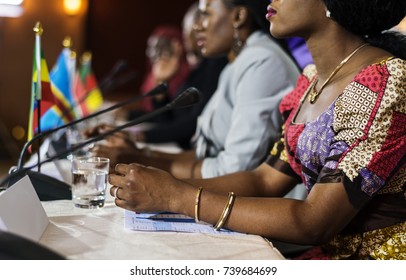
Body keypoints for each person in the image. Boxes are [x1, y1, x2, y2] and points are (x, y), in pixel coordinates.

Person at [108, 0, 406, 260]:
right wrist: (163, 185)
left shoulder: (383, 81)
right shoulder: (312, 80)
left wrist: (176, 198)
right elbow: (263, 179)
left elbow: (314, 222)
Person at [90, 0, 300, 180]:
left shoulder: (262, 61)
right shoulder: (238, 62)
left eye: (204, 14)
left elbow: (234, 169)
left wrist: (142, 161)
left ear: (238, 16)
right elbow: (205, 154)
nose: (196, 27)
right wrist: (141, 154)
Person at [131, 2, 229, 149]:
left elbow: (193, 123)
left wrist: (140, 135)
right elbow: (169, 119)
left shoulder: (216, 63)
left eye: (187, 29)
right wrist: (162, 82)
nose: (185, 37)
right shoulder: (201, 67)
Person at [127, 25, 191, 121]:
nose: (154, 54)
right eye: (152, 48)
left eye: (161, 48)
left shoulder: (188, 76)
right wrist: (127, 114)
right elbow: (150, 112)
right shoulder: (152, 76)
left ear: (177, 47)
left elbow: (170, 120)